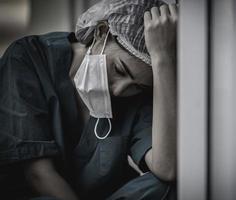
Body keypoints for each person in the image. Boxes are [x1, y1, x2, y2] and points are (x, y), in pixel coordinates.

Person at [0, 0, 177, 199]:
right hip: (41, 194)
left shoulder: (137, 96)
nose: (119, 91)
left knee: (167, 187)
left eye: (137, 86)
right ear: (101, 32)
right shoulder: (28, 58)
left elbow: (167, 168)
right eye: (119, 70)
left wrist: (163, 58)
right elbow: (38, 174)